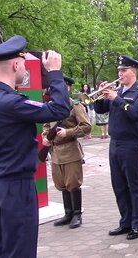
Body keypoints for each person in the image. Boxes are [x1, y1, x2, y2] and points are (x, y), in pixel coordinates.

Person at [0, 35, 71, 258]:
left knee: (2, 248)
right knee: (20, 250)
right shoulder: (10, 102)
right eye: (24, 64)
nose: (25, 68)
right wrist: (55, 73)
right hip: (16, 188)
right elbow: (60, 109)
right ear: (15, 64)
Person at [94, 55, 138, 240]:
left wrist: (116, 98)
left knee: (133, 185)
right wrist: (100, 94)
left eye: (124, 70)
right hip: (115, 143)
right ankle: (125, 221)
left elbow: (136, 114)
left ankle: (137, 224)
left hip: (131, 144)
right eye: (119, 70)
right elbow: (101, 110)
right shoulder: (116, 90)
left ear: (133, 71)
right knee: (118, 185)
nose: (120, 73)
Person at [42, 76, 91, 229]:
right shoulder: (50, 106)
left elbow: (86, 126)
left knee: (73, 183)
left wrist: (68, 132)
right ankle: (68, 213)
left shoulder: (75, 106)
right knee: (61, 184)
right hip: (55, 151)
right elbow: (46, 125)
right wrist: (45, 137)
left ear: (68, 88)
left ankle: (77, 214)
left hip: (70, 150)